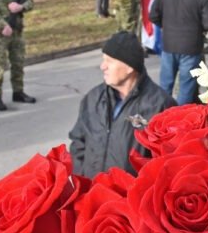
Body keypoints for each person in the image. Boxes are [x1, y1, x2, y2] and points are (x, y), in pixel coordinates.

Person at [68, 31, 175, 177]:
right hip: (92, 193)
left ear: (129, 67)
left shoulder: (160, 105)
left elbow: (167, 161)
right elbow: (78, 143)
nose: (102, 66)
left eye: (109, 61)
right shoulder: (93, 99)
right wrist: (81, 178)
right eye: (103, 60)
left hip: (128, 196)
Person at [149, 0, 208, 105]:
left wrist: (165, 25)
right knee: (186, 87)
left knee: (165, 84)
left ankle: (161, 117)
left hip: (169, 44)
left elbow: (153, 15)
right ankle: (179, 121)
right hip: (191, 46)